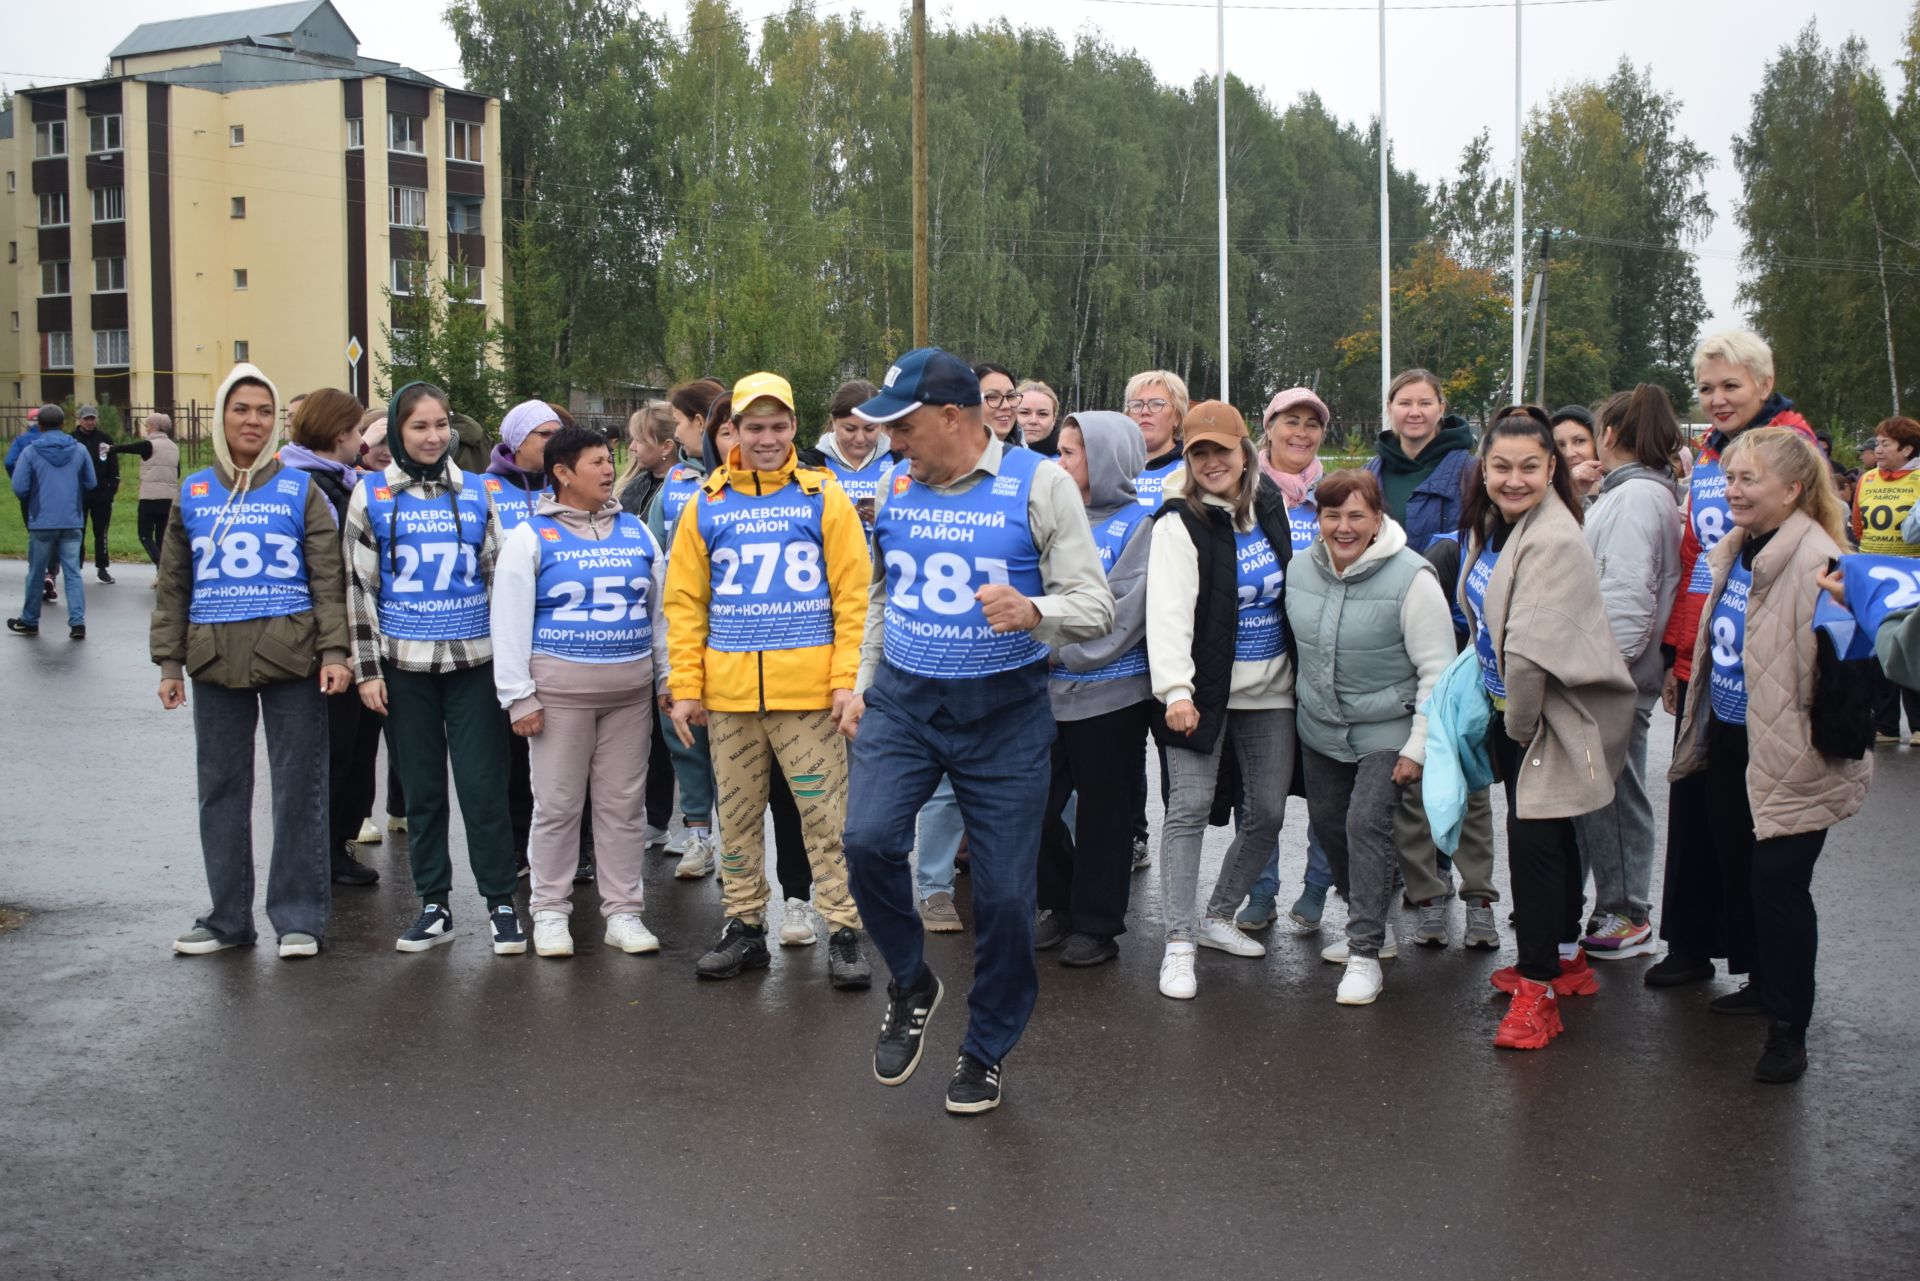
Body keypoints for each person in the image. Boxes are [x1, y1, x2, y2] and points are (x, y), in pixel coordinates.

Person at [841, 347, 1113, 1115]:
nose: (893, 442)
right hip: (904, 701)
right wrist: (862, 684)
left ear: (952, 417)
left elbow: (1095, 605)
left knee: (1000, 897)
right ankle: (911, 979)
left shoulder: (1042, 484)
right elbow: (883, 593)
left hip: (1004, 715)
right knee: (865, 841)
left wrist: (1036, 612)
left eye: (905, 426)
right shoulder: (895, 486)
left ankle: (985, 1046)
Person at [1672, 428, 1872, 1083]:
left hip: (1796, 753)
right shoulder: (1737, 547)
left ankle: (1789, 1030)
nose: (1732, 490)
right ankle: (1761, 984)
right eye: (1729, 478)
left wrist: (1830, 749)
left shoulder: (1821, 561)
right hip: (1733, 740)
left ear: (1792, 490)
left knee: (1779, 887)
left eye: (1748, 479)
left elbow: (1847, 679)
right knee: (1740, 869)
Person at [664, 372, 872, 988]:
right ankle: (745, 927)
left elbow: (851, 596)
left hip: (808, 698)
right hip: (729, 699)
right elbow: (684, 602)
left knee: (824, 817)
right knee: (738, 818)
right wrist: (687, 688)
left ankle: (843, 930)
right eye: (755, 427)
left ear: (794, 429)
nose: (767, 438)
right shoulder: (708, 500)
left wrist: (844, 682)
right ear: (733, 432)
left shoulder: (822, 495)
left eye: (779, 426)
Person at [153, 364, 353, 958]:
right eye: (241, 409)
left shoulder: (301, 489)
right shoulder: (192, 490)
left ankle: (298, 920)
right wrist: (169, 665)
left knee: (299, 791)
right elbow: (172, 585)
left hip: (292, 660)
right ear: (221, 416)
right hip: (212, 661)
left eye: (264, 411)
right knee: (220, 790)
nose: (253, 420)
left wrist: (335, 651)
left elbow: (328, 578)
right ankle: (226, 920)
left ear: (276, 424)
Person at [1460, 407, 1636, 1050]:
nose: (1513, 478)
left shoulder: (1552, 537)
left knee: (1533, 849)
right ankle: (1565, 960)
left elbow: (1529, 655)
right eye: (1500, 467)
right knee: (1553, 839)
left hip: (1542, 721)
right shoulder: (1501, 524)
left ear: (1552, 469)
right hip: (1517, 712)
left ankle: (1537, 993)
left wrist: (1519, 726)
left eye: (1529, 467)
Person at [1650, 329, 1818, 988]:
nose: (1717, 399)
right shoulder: (1710, 454)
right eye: (1707, 388)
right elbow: (1699, 560)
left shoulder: (1794, 445)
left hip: (1768, 663)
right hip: (1707, 657)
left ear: (1763, 384)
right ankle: (1690, 944)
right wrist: (1678, 651)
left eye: (1731, 386)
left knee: (1757, 829)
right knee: (1697, 813)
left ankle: (1759, 971)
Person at [345, 381, 522, 955]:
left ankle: (500, 902)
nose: (433, 435)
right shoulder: (370, 493)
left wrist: (511, 670)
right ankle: (434, 904)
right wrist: (368, 671)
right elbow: (359, 588)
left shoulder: (478, 491)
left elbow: (500, 581)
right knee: (422, 792)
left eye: (442, 424)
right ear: (397, 431)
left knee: (483, 787)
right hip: (404, 667)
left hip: (474, 663)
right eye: (420, 426)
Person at [492, 422, 669, 958]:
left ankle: (624, 913)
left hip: (629, 695)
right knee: (559, 805)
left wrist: (667, 679)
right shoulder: (530, 536)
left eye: (610, 459)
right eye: (595, 461)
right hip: (558, 698)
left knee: (622, 807)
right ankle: (549, 911)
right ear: (562, 473)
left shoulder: (637, 531)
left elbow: (659, 616)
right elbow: (509, 620)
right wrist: (518, 696)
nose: (609, 468)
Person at [1145, 402, 1297, 1000]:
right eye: (1199, 453)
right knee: (1188, 811)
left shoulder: (1268, 506)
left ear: (1244, 453)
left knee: (1268, 813)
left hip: (1272, 693)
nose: (1212, 463)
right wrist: (1177, 692)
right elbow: (1168, 615)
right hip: (1198, 694)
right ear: (1187, 459)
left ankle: (1216, 915)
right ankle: (1179, 942)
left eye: (1221, 452)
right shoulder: (1177, 522)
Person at [1286, 469, 1455, 1005]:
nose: (1343, 526)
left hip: (1390, 729)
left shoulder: (1412, 578)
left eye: (1356, 514)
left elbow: (1438, 670)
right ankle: (1372, 918)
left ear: (1378, 518)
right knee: (1330, 829)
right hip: (1320, 728)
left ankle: (1365, 951)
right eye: (1332, 514)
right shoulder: (1299, 569)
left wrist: (1418, 745)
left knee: (1365, 826)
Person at [1568, 386, 1685, 959]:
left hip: (1611, 675)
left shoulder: (1637, 497)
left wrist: (1598, 670)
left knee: (1611, 793)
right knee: (1605, 790)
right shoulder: (1639, 493)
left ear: (1609, 435)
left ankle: (1625, 909)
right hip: (1617, 668)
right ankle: (1611, 903)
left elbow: (1625, 594)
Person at [1039, 411, 1152, 967]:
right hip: (1045, 695)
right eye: (1058, 451)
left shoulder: (1141, 525)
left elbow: (1124, 617)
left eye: (1071, 453)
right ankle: (1059, 903)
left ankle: (1097, 925)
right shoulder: (1054, 517)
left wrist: (1051, 648)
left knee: (1104, 815)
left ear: (1106, 459)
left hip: (1111, 696)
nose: (1058, 463)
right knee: (1031, 806)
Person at [1240, 386, 1339, 933]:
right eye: (1289, 421)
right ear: (1269, 426)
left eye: (1312, 423)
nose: (1300, 432)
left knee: (1326, 792)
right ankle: (1261, 890)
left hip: (1326, 667)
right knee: (1262, 795)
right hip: (1264, 665)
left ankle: (1318, 889)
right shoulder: (1243, 490)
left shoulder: (1336, 491)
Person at [280, 388, 380, 888]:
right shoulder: (309, 486)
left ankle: (335, 844)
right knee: (335, 751)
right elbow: (328, 571)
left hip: (347, 637)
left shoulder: (336, 481)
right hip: (327, 642)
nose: (362, 441)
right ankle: (322, 852)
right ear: (340, 434)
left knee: (354, 748)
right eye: (358, 431)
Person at [1850, 416, 1920, 744]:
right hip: (1875, 574)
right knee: (1878, 648)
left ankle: (1918, 724)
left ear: (1907, 449)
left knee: (1910, 645)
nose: (1877, 449)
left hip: (1912, 573)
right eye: (1876, 443)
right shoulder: (1867, 479)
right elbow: (1858, 525)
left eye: (1885, 444)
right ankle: (1886, 723)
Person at [1367, 368, 1475, 552]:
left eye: (1425, 403)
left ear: (1441, 408)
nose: (1415, 412)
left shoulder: (1470, 473)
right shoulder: (1368, 474)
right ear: (1389, 408)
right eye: (1405, 403)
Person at [8, 405, 93, 639]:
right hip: (71, 519)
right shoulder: (79, 449)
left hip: (42, 520)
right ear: (63, 424)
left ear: (41, 425)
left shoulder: (30, 451)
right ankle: (77, 623)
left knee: (36, 573)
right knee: (73, 573)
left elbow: (19, 486)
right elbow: (91, 482)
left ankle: (30, 620)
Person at [804, 379, 888, 536]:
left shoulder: (902, 462)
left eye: (870, 429)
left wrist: (886, 520)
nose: (860, 438)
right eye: (850, 429)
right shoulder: (809, 465)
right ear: (834, 422)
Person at [111, 413, 182, 571]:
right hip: (169, 498)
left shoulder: (149, 445)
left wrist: (112, 449)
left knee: (145, 535)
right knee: (162, 538)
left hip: (150, 498)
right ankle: (162, 576)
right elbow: (177, 473)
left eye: (148, 426)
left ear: (153, 427)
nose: (146, 429)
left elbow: (129, 448)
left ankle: (162, 567)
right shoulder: (174, 447)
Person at [70, 406, 120, 584]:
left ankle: (102, 567)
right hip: (79, 495)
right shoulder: (72, 440)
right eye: (86, 419)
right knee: (78, 532)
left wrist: (111, 490)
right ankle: (76, 567)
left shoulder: (104, 439)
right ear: (79, 420)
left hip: (101, 494)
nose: (89, 422)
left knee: (101, 532)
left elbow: (113, 466)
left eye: (92, 419)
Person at [1126, 370, 1188, 509]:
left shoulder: (1192, 470)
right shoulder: (1113, 468)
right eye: (1136, 404)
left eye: (1156, 404)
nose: (1145, 411)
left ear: (1177, 417)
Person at [616, 400, 679, 519]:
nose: (631, 447)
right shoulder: (634, 485)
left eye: (639, 440)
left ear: (666, 447)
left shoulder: (683, 493)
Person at [1550, 405, 1606, 502]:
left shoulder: (1619, 489)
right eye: (1561, 445)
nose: (1569, 453)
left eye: (1579, 441)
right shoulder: (1543, 495)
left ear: (1596, 443)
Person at [975, 363, 1022, 448]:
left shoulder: (1028, 459)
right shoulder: (949, 459)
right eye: (992, 397)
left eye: (1011, 396)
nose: (1006, 405)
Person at [1015, 380, 1063, 457]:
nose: (1033, 421)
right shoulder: (995, 455)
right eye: (1024, 413)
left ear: (1054, 419)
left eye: (1042, 414)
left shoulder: (1067, 461)